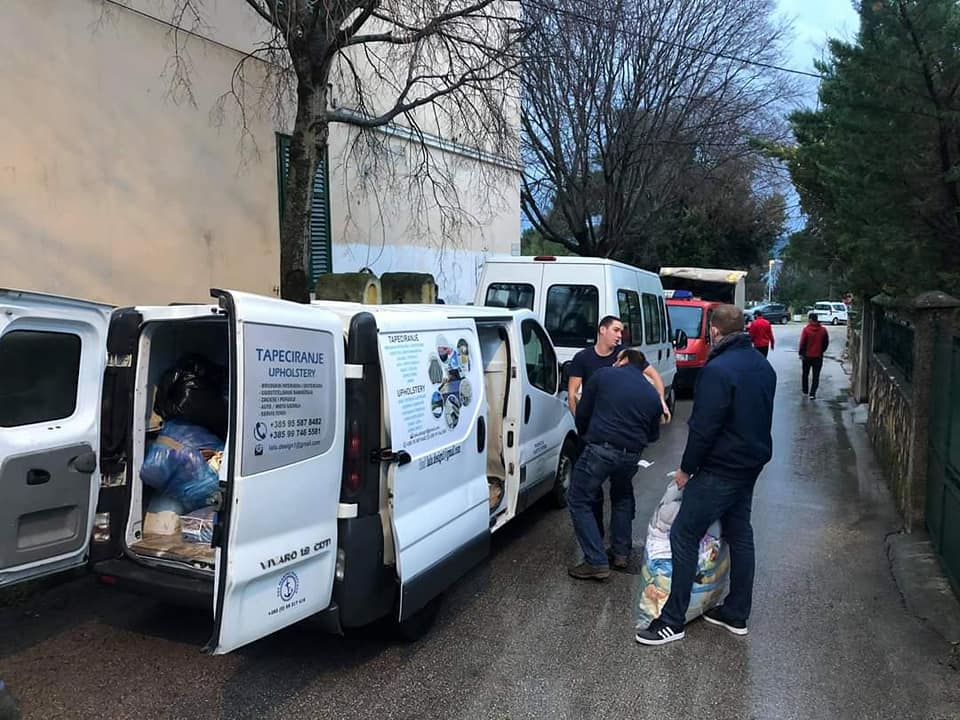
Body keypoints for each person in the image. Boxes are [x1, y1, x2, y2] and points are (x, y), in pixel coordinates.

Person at [635, 304, 776, 645]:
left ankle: (672, 621)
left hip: (720, 468)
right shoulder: (763, 366)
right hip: (750, 465)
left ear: (714, 331)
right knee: (739, 533)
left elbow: (703, 428)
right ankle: (736, 613)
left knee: (683, 533)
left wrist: (686, 469)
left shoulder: (717, 370)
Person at [568, 349, 664, 580]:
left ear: (623, 360)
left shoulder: (603, 375)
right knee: (622, 496)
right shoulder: (651, 394)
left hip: (601, 449)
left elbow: (583, 412)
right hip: (631, 456)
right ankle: (621, 553)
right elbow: (653, 435)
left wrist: (586, 435)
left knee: (579, 499)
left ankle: (596, 560)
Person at [567, 316, 670, 421]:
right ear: (602, 330)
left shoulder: (626, 355)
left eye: (621, 332)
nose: (619, 336)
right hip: (595, 418)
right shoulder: (582, 357)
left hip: (621, 418)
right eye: (616, 330)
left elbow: (654, 375)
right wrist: (579, 423)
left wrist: (661, 401)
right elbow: (572, 394)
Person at [799, 312, 829, 399]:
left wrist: (801, 353)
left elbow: (802, 342)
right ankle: (812, 393)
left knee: (805, 374)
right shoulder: (823, 330)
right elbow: (826, 342)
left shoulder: (806, 330)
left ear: (810, 320)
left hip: (807, 356)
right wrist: (821, 351)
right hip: (818, 356)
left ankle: (805, 391)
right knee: (816, 376)